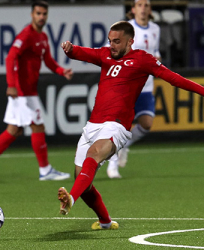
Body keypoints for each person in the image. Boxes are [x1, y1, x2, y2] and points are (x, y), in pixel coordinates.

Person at [58, 21, 204, 230]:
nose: (112, 45)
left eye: (117, 41)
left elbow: (175, 79)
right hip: (93, 124)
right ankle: (106, 221)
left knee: (94, 153)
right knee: (83, 180)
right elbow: (83, 53)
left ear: (130, 41)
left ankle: (71, 198)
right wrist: (71, 50)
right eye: (110, 41)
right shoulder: (105, 55)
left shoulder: (143, 59)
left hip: (117, 125)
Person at [0, 0, 73, 182]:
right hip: (21, 91)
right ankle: (45, 170)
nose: (41, 17)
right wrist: (11, 84)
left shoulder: (42, 37)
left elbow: (48, 60)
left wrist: (61, 71)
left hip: (29, 91)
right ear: (32, 15)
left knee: (14, 130)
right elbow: (11, 57)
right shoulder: (26, 35)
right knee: (38, 125)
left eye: (44, 14)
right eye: (38, 13)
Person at [107, 0, 161, 179]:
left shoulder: (155, 29)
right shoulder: (125, 29)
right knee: (122, 127)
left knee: (146, 124)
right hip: (128, 86)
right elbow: (111, 50)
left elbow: (155, 51)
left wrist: (156, 59)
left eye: (146, 5)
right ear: (133, 9)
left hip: (146, 86)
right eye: (140, 5)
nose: (144, 8)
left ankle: (124, 148)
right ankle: (112, 166)